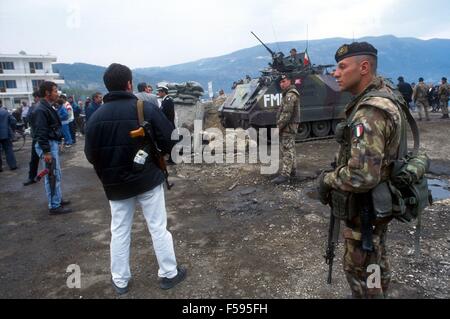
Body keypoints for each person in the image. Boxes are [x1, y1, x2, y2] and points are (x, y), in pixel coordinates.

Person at [84, 63, 186, 295]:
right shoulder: (144, 108)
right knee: (158, 228)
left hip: (116, 186)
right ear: (129, 84)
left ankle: (120, 280)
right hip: (148, 180)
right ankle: (169, 273)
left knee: (119, 231)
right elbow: (171, 140)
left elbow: (91, 155)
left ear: (107, 86)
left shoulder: (95, 117)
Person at [317, 42, 405, 298]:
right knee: (374, 255)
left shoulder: (370, 113)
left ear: (364, 67)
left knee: (362, 263)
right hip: (375, 207)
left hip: (365, 209)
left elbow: (361, 175)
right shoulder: (385, 95)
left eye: (342, 67)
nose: (336, 73)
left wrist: (328, 180)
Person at [32, 81, 72, 215]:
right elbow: (41, 132)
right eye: (55, 91)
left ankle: (58, 199)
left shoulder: (46, 107)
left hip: (51, 143)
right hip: (48, 145)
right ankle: (54, 206)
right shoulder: (41, 109)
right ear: (47, 93)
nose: (57, 93)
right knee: (52, 176)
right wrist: (46, 151)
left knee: (56, 174)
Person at [271, 73, 300, 184]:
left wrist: (278, 127)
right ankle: (292, 170)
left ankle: (285, 175)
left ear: (289, 81)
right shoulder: (288, 94)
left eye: (283, 81)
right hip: (289, 127)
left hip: (288, 127)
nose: (281, 84)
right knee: (290, 148)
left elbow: (286, 114)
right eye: (280, 82)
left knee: (287, 149)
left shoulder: (290, 95)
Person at [23, 91, 41, 185]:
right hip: (43, 136)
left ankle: (32, 177)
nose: (34, 100)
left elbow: (27, 119)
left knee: (34, 158)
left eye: (35, 98)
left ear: (37, 97)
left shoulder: (33, 107)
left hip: (37, 137)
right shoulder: (48, 106)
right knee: (50, 161)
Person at [0, 100, 18, 172]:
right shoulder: (5, 111)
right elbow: (13, 121)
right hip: (6, 134)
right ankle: (12, 165)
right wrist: (12, 129)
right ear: (0, 103)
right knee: (8, 150)